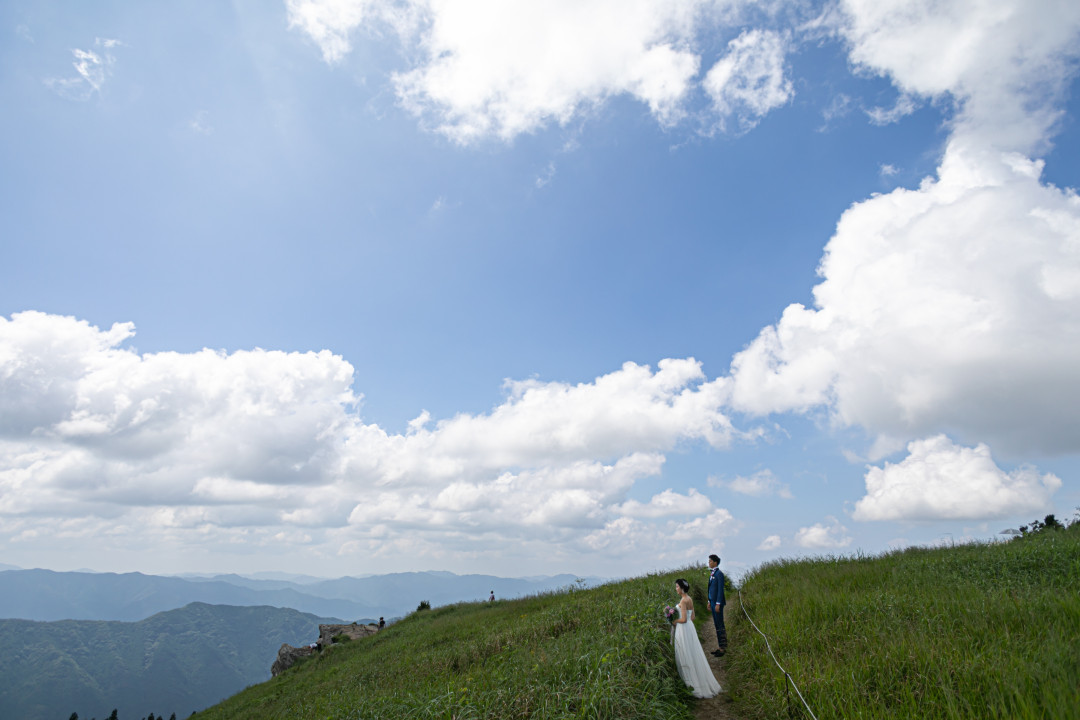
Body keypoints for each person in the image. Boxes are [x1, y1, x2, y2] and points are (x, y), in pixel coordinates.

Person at [671, 578, 722, 698]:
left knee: (685, 654)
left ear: (682, 588)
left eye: (677, 586)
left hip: (683, 629)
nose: (676, 588)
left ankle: (691, 683)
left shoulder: (683, 601)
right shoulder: (690, 599)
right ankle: (698, 681)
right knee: (693, 653)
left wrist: (674, 621)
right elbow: (692, 617)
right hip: (690, 628)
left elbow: (683, 619)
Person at [707, 554, 727, 657]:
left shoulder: (719, 574)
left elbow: (720, 590)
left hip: (718, 603)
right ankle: (720, 646)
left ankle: (723, 647)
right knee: (716, 624)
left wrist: (718, 603)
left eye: (710, 561)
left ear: (715, 562)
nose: (709, 563)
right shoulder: (712, 574)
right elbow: (710, 589)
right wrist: (709, 601)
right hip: (713, 601)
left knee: (720, 624)